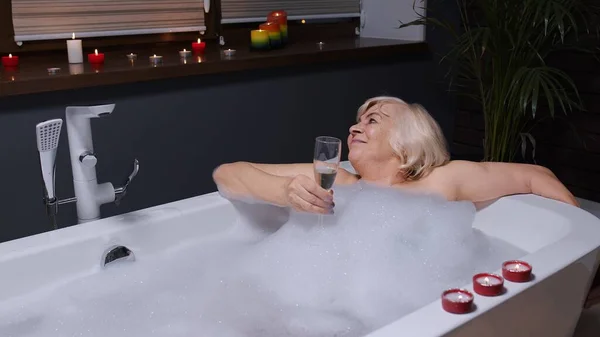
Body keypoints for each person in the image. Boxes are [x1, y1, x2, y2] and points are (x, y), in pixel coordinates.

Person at [213, 96, 579, 214]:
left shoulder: (443, 179)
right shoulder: (338, 178)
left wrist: (580, 260)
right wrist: (283, 192)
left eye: (372, 121)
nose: (355, 128)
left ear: (408, 142)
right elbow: (228, 173)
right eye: (356, 121)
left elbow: (536, 176)